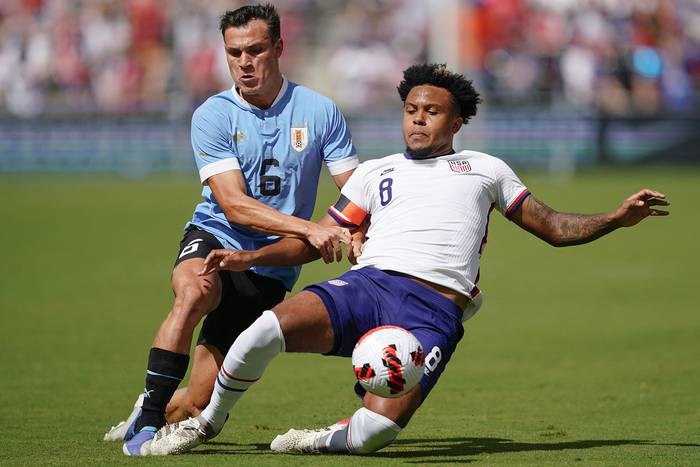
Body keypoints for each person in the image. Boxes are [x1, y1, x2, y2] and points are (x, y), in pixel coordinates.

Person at [146, 63, 670, 456]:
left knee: (376, 435)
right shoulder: (376, 172)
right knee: (260, 331)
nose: (418, 120)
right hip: (368, 285)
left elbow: (553, 227)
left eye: (433, 112)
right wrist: (251, 257)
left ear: (457, 121)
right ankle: (207, 422)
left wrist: (613, 218)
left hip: (433, 311)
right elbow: (320, 238)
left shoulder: (486, 169)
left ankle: (321, 439)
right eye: (411, 110)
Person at [113, 4, 360, 456]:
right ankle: (149, 421)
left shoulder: (320, 111)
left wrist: (357, 231)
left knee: (196, 401)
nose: (245, 62)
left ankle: (152, 404)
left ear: (279, 47)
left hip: (270, 268)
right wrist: (311, 228)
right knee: (194, 293)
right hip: (216, 236)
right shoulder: (213, 114)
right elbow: (234, 205)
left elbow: (356, 191)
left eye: (256, 50)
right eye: (234, 53)